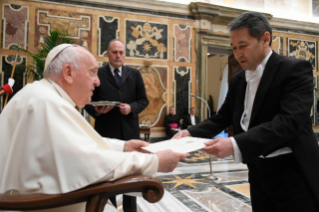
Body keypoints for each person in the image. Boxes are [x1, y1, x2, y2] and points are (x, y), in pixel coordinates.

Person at [0, 44, 186, 212]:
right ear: (68, 73)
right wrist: (154, 162)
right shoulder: (47, 103)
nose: (97, 82)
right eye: (92, 73)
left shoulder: (41, 94)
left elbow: (76, 144)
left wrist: (123, 147)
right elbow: (87, 163)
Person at [174, 12, 319, 212]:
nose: (237, 54)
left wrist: (235, 144)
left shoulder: (294, 69)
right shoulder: (238, 80)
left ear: (265, 39)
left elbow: (289, 122)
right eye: (234, 48)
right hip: (257, 171)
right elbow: (222, 117)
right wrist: (190, 133)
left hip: (292, 171)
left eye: (243, 46)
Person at [84, 39, 149, 211]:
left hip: (130, 131)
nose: (118, 55)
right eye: (114, 52)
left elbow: (143, 100)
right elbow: (88, 101)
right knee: (107, 174)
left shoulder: (134, 74)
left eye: (121, 52)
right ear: (108, 54)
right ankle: (108, 208)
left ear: (124, 54)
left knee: (130, 175)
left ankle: (130, 209)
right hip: (106, 132)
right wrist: (97, 111)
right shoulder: (98, 73)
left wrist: (131, 108)